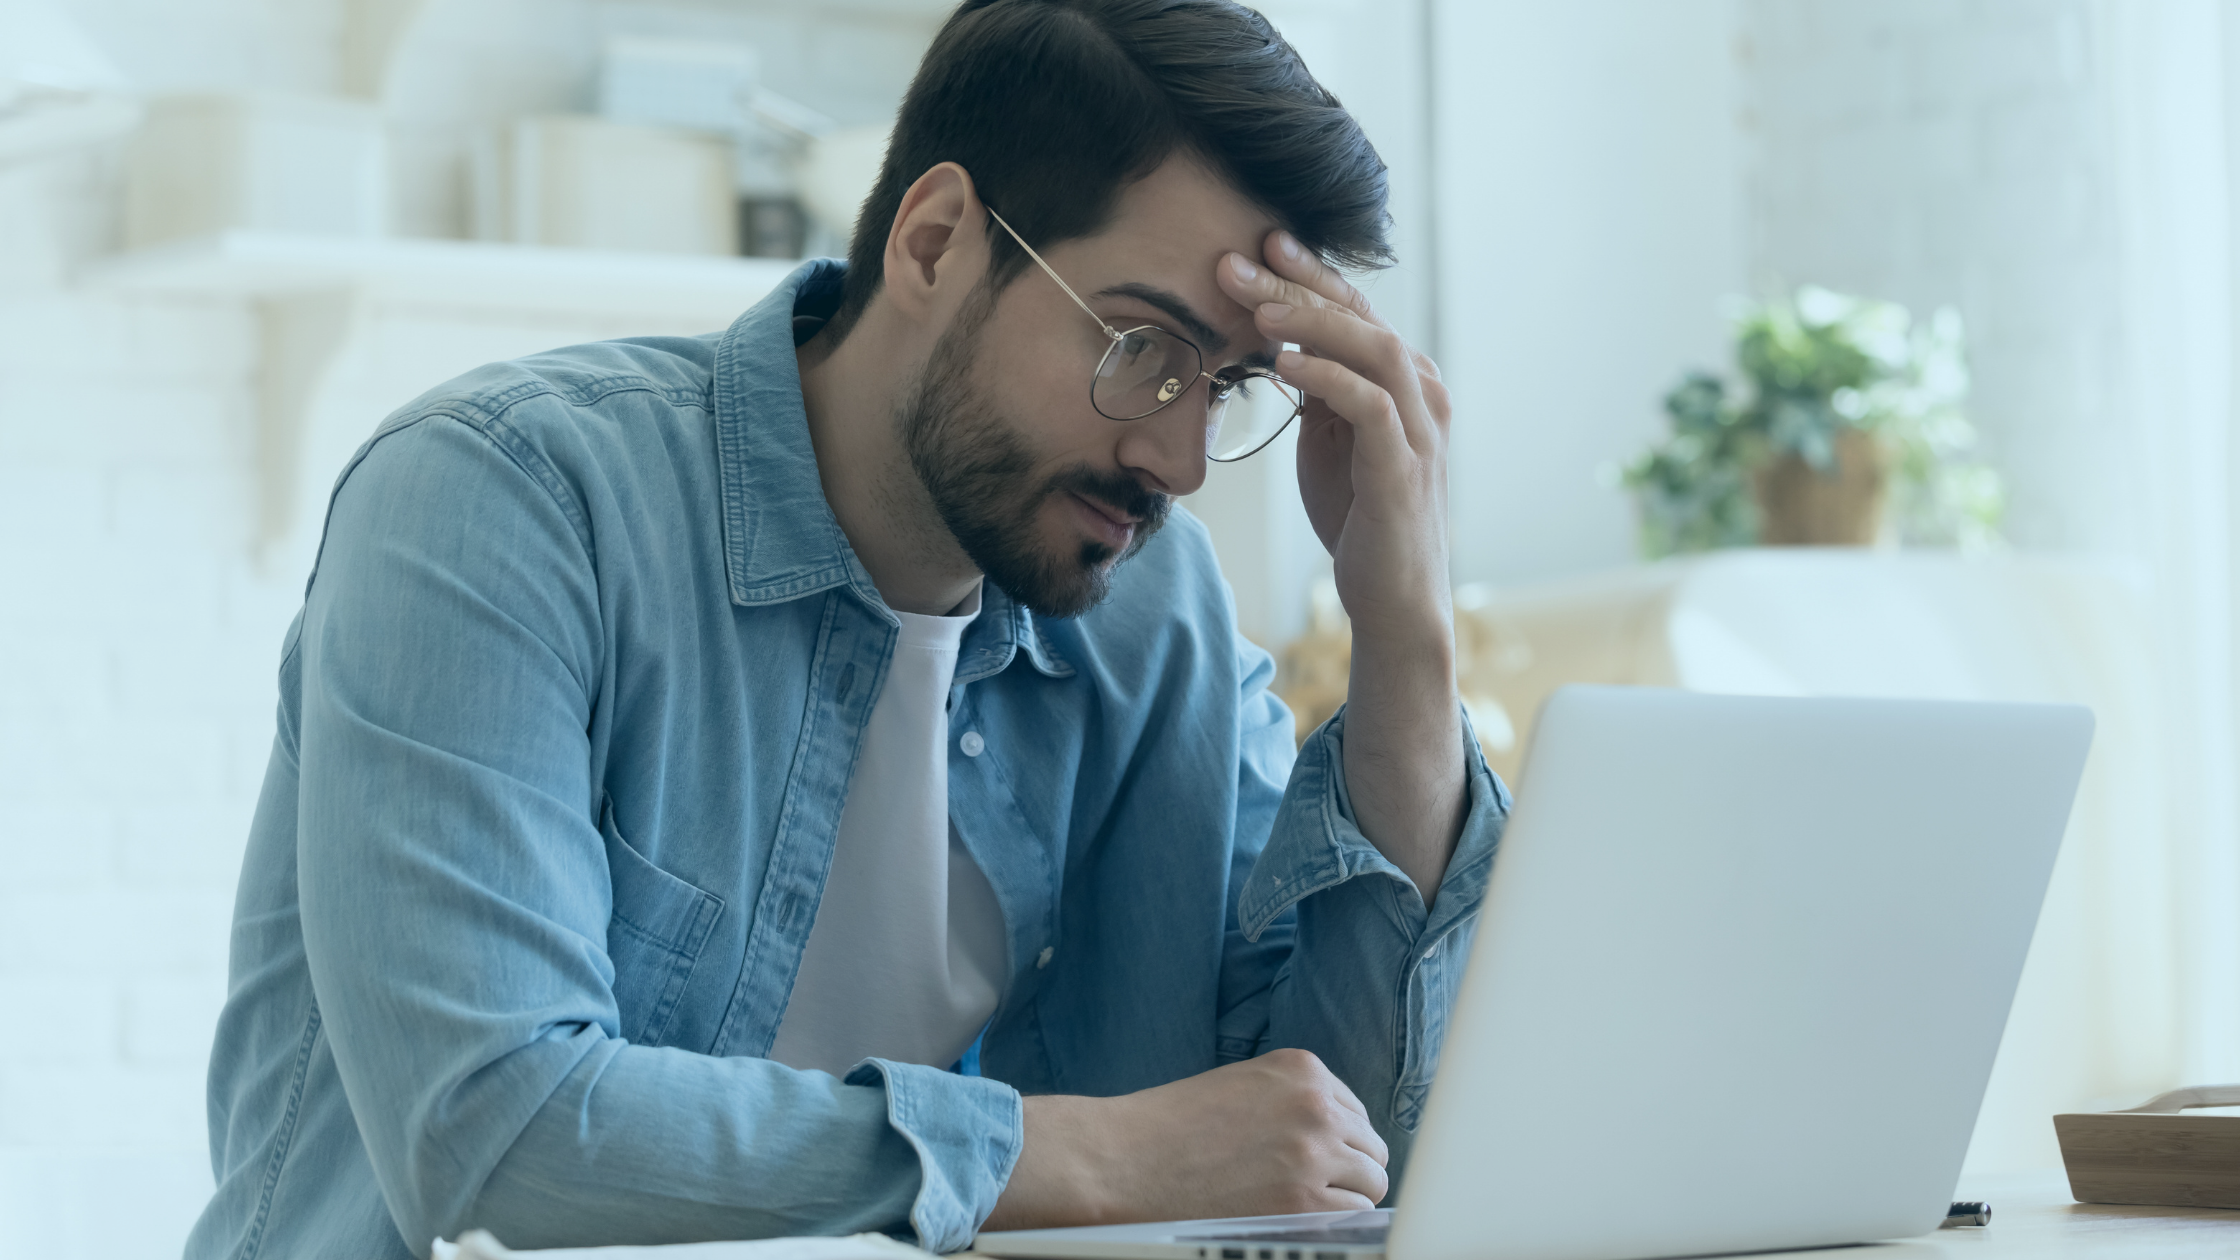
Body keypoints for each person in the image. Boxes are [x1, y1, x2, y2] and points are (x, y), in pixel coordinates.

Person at [186, 1, 1507, 1256]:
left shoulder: (1151, 623)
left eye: (1220, 388)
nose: (1177, 458)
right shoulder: (505, 503)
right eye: (1140, 347)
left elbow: (1337, 1145)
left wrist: (1403, 633)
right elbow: (494, 1140)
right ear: (935, 241)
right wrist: (1094, 1159)